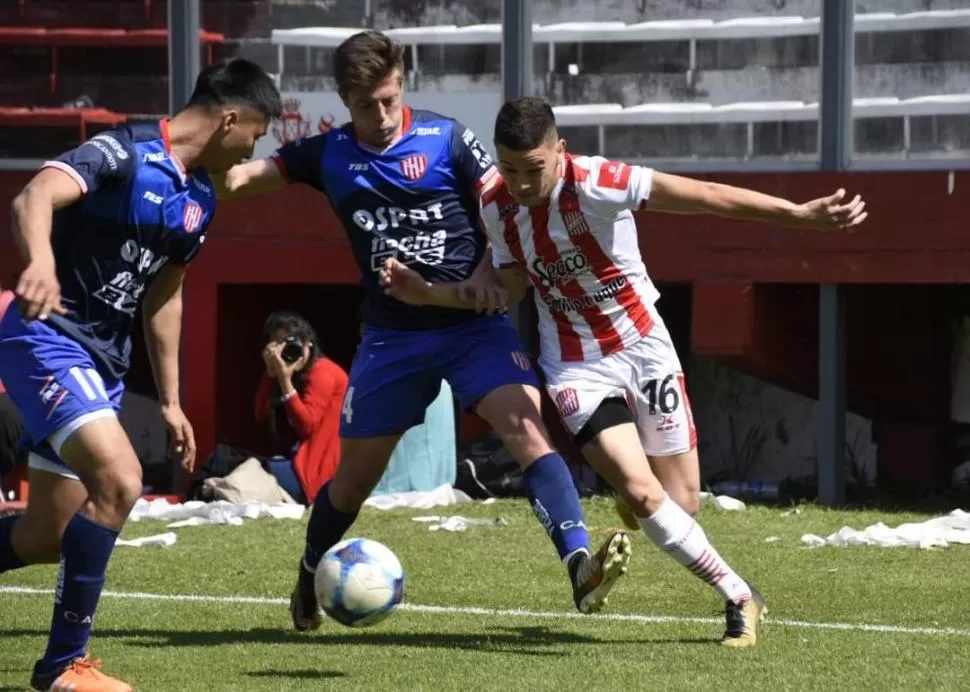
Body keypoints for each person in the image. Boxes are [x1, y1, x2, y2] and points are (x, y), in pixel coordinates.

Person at [380, 96, 868, 647]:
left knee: (682, 503)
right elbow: (512, 285)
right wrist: (430, 293)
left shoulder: (599, 181)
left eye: (533, 169)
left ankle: (643, 504)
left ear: (560, 153)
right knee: (641, 491)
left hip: (643, 347)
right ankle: (738, 594)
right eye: (509, 168)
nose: (519, 183)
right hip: (575, 367)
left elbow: (706, 197)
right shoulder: (496, 205)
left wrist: (798, 215)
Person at [216, 30, 631, 630]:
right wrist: (191, 151)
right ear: (342, 99)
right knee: (353, 483)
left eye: (389, 98)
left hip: (471, 325)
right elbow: (236, 180)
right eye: (366, 105)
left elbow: (505, 207)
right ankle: (308, 576)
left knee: (528, 429)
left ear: (402, 83)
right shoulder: (326, 154)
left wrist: (491, 269)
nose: (381, 115)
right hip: (392, 337)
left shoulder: (448, 138)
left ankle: (578, 568)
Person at [0, 59, 281, 691]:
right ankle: (63, 668)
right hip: (46, 338)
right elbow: (35, 193)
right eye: (254, 137)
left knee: (46, 535)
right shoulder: (124, 152)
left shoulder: (199, 197)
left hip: (102, 364)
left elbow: (166, 295)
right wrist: (40, 262)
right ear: (230, 119)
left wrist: (173, 400)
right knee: (122, 481)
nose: (250, 153)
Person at [255, 310, 348, 505]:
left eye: (293, 344)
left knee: (239, 469)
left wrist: (284, 378)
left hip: (317, 474)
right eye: (279, 345)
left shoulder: (323, 372)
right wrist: (270, 373)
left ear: (309, 344)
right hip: (299, 463)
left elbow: (307, 425)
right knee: (230, 464)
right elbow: (260, 415)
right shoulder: (296, 374)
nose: (288, 352)